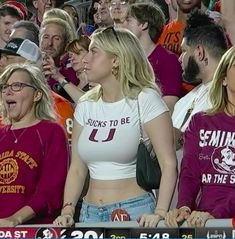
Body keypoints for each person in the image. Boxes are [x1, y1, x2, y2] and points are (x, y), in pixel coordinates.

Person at [53, 27, 177, 227]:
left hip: (136, 212)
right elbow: (77, 168)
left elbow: (169, 164)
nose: (85, 59)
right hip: (88, 213)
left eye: (94, 52)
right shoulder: (86, 104)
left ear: (116, 60)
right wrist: (68, 210)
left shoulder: (145, 99)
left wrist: (160, 212)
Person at [165, 45, 235, 228]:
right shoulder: (200, 122)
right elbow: (190, 172)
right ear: (224, 78)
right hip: (200, 220)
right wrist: (184, 206)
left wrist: (216, 216)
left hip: (222, 219)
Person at [171, 9, 228, 208]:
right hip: (180, 205)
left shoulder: (228, 98)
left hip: (217, 208)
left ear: (200, 52)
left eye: (184, 51)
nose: (180, 59)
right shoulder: (183, 102)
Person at [0, 63, 69, 226]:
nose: (8, 91)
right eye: (5, 87)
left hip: (34, 227)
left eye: (17, 86)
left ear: (37, 95)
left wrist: (16, 218)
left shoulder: (51, 132)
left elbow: (50, 190)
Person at [0, 38, 74, 144]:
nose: (1, 62)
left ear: (28, 64)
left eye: (8, 58)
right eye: (2, 57)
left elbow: (63, 152)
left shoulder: (58, 105)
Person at [123, 2, 183, 113]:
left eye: (129, 20)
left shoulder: (168, 60)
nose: (123, 25)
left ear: (144, 25)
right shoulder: (125, 59)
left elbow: (170, 103)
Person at [39, 18, 78, 102]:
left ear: (66, 44)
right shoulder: (27, 69)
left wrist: (58, 76)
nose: (50, 43)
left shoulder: (73, 74)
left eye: (56, 38)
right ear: (39, 40)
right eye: (46, 37)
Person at [44, 36, 90, 103]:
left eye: (77, 53)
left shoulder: (97, 83)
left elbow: (86, 103)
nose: (72, 58)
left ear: (91, 53)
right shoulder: (73, 84)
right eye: (70, 55)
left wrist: (59, 76)